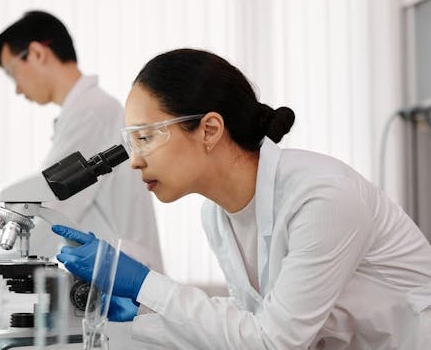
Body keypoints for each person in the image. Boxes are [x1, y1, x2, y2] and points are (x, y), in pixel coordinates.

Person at [54, 48, 431, 349]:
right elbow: (248, 327)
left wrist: (144, 283)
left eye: (146, 137)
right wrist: (145, 314)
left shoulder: (323, 197)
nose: (134, 160)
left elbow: (275, 341)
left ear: (210, 129)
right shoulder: (216, 215)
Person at [0, 11, 162, 271]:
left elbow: (50, 203)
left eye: (13, 74)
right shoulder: (87, 111)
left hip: (125, 281)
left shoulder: (91, 113)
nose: (18, 89)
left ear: (36, 53)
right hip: (115, 274)